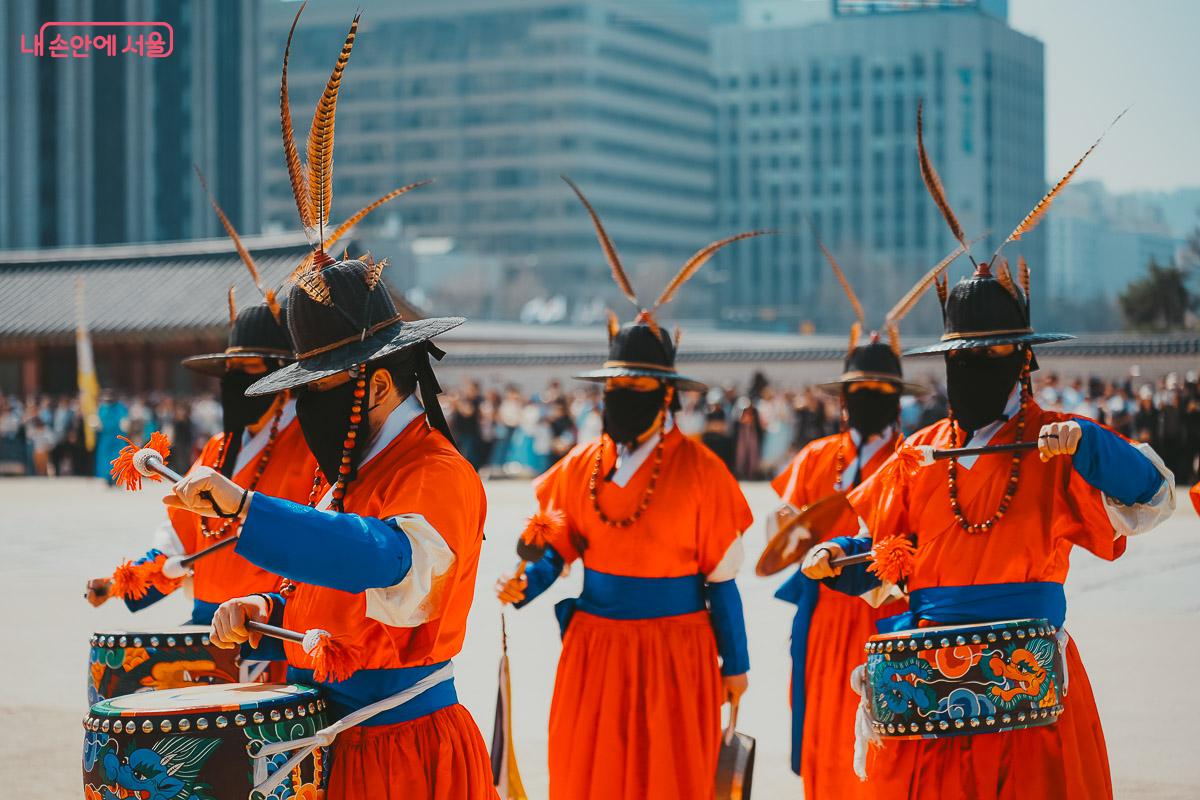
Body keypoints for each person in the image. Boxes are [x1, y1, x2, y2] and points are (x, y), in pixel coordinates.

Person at [167, 9, 496, 797]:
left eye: (319, 390)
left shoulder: (436, 473)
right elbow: (323, 589)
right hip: (325, 740)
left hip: (405, 751)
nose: (307, 410)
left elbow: (381, 560)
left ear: (380, 381)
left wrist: (251, 513)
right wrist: (260, 600)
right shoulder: (346, 468)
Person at [801, 109, 1175, 800]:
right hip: (926, 684)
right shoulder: (917, 456)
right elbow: (884, 553)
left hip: (1027, 685)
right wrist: (839, 560)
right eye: (960, 357)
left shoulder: (1055, 440)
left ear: (1023, 360)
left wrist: (1089, 445)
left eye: (990, 355)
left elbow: (1151, 500)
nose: (972, 369)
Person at [495, 177, 763, 800]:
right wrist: (525, 582)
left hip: (679, 650)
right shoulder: (581, 463)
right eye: (613, 389)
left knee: (670, 776)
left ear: (666, 396)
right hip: (596, 645)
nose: (620, 401)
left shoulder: (701, 470)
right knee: (592, 772)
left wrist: (738, 663)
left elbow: (722, 582)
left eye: (637, 390)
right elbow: (558, 545)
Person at [766, 231, 966, 798]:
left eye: (880, 389)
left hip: (886, 611)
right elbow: (785, 525)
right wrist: (785, 524)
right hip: (823, 614)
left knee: (885, 740)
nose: (867, 397)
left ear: (896, 396)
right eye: (859, 388)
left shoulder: (915, 457)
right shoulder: (815, 456)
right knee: (824, 732)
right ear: (843, 395)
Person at [85, 178, 315, 627]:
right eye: (230, 373)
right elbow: (179, 543)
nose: (235, 384)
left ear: (282, 376)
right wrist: (121, 583)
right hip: (207, 627)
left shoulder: (311, 446)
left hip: (269, 628)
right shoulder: (218, 449)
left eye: (248, 370)